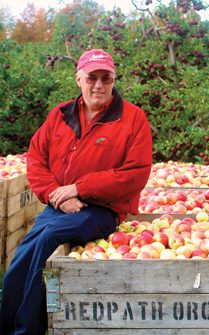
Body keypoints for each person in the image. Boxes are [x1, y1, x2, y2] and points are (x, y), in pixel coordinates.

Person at [0, 49, 153, 335]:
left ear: (113, 79)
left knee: (49, 238)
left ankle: (28, 330)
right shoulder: (59, 115)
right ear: (78, 79)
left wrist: (79, 189)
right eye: (92, 77)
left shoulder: (133, 119)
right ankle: (6, 326)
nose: (99, 85)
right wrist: (58, 192)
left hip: (102, 210)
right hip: (58, 203)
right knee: (21, 258)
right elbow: (36, 158)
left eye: (105, 78)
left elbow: (135, 173)